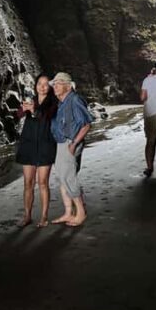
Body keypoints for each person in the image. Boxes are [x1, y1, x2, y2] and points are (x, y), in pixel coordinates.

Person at [49, 72, 93, 227]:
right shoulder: (62, 102)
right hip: (62, 143)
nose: (55, 86)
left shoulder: (74, 100)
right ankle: (68, 213)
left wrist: (74, 144)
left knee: (68, 177)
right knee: (63, 178)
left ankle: (81, 213)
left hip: (69, 143)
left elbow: (86, 124)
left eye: (58, 83)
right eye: (54, 84)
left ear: (68, 85)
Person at [15, 74, 58, 227]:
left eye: (46, 84)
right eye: (39, 83)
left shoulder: (53, 103)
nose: (42, 86)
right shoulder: (31, 100)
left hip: (46, 146)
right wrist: (22, 108)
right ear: (35, 85)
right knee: (28, 183)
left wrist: (34, 110)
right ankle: (27, 216)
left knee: (43, 183)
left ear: (50, 87)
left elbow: (46, 117)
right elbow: (18, 115)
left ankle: (44, 217)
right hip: (29, 145)